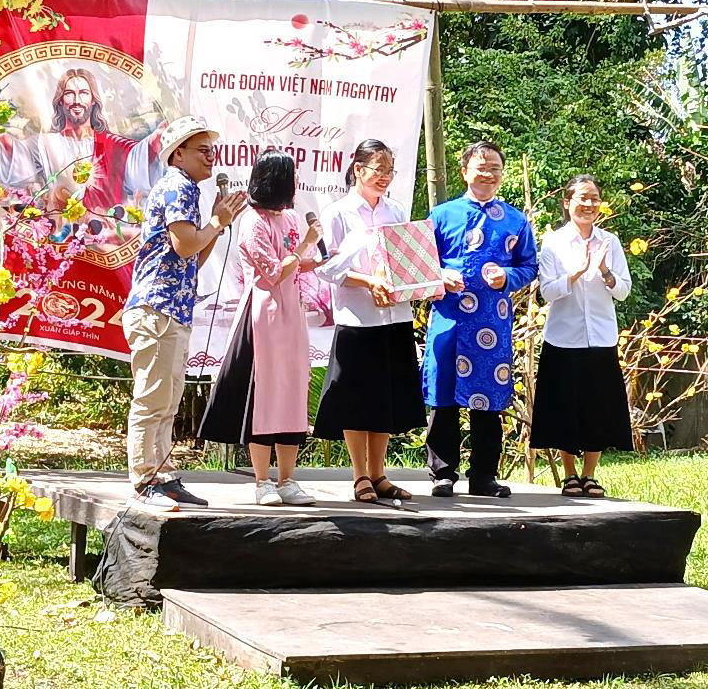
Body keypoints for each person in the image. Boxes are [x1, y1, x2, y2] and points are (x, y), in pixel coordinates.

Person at [123, 116, 247, 510]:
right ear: (178, 154)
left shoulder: (186, 189)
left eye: (213, 150)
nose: (211, 157)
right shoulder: (178, 186)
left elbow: (194, 252)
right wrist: (217, 220)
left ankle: (161, 475)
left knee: (167, 398)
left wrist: (215, 223)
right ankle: (145, 480)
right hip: (157, 307)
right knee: (154, 399)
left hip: (170, 308)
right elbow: (183, 245)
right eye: (202, 150)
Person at [198, 150, 321, 506]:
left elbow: (296, 267)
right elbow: (273, 272)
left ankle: (288, 480)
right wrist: (303, 247)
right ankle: (262, 481)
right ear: (276, 180)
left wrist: (321, 259)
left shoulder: (292, 218)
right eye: (292, 177)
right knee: (264, 395)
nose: (296, 184)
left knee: (291, 392)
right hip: (262, 316)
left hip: (291, 314)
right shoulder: (252, 221)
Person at [422, 140, 538, 498]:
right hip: (449, 317)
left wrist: (508, 277)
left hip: (492, 321)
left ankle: (484, 475)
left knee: (489, 399)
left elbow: (529, 266)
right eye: (480, 168)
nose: (487, 174)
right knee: (444, 396)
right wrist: (440, 275)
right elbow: (420, 262)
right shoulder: (441, 215)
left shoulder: (516, 220)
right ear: (464, 172)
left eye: (494, 169)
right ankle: (443, 473)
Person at [313, 139, 426, 503]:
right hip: (357, 317)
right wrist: (368, 281)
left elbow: (406, 259)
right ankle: (359, 475)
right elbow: (327, 267)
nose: (384, 177)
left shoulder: (396, 210)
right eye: (378, 170)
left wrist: (424, 282)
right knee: (356, 398)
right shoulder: (339, 213)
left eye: (389, 171)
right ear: (358, 169)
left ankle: (380, 474)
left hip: (394, 315)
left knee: (385, 398)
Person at [530, 174, 634, 498]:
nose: (588, 204)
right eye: (581, 198)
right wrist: (573, 274)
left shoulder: (610, 242)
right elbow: (546, 291)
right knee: (565, 408)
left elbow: (624, 292)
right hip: (563, 338)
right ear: (567, 203)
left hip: (601, 337)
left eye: (594, 198)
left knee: (597, 408)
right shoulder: (554, 243)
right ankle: (569, 475)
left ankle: (590, 475)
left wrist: (604, 271)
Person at [0, 68, 165, 212]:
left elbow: (137, 159)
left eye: (84, 93)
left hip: (106, 232)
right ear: (61, 101)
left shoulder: (112, 144)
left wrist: (155, 139)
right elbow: (21, 163)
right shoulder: (44, 143)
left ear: (93, 100)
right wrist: (3, 139)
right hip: (60, 231)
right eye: (69, 94)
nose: (77, 101)